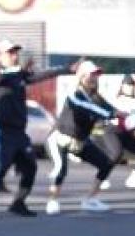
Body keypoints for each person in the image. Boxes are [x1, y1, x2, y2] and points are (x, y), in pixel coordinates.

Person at [0, 40, 76, 219]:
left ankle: (18, 203)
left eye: (15, 52)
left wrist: (67, 69)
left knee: (30, 166)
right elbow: (0, 78)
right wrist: (20, 71)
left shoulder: (19, 75)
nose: (14, 56)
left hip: (19, 132)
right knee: (0, 167)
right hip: (2, 131)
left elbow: (43, 75)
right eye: (10, 53)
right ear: (0, 56)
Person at [45, 61, 123, 214]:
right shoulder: (74, 94)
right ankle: (52, 200)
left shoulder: (96, 97)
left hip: (80, 142)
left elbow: (110, 108)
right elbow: (88, 107)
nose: (94, 78)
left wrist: (125, 113)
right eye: (90, 75)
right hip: (60, 139)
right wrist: (111, 114)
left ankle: (90, 199)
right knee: (61, 169)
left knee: (106, 164)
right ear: (81, 76)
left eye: (96, 75)